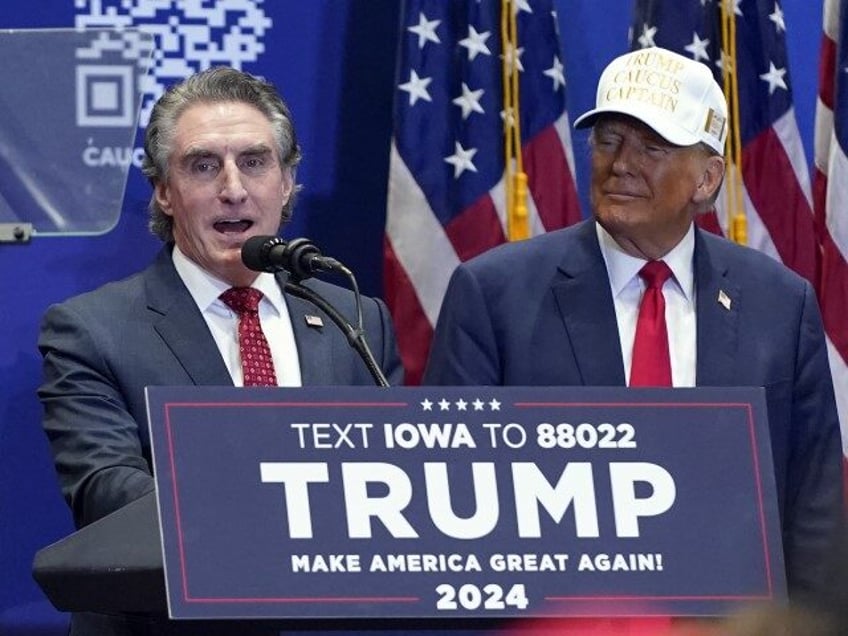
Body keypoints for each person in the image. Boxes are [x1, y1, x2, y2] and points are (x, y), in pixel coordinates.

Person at [423, 47, 843, 604]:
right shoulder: (494, 295)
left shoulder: (780, 305)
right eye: (608, 140)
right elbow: (451, 489)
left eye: (653, 146)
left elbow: (814, 509)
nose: (621, 163)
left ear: (707, 178)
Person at [38, 66, 403, 635]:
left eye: (254, 162)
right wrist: (276, 526)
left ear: (285, 183)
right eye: (203, 166)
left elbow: (394, 475)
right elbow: (108, 491)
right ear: (163, 190)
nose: (233, 187)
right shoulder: (91, 330)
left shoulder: (353, 318)